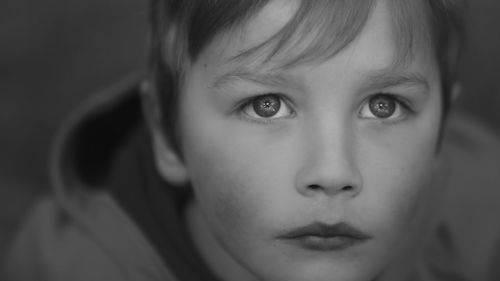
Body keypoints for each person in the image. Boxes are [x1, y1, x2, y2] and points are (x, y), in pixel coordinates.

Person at [4, 0, 500, 280]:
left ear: (440, 129)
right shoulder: (71, 269)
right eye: (267, 105)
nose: (332, 172)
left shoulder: (480, 210)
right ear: (167, 134)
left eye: (383, 105)